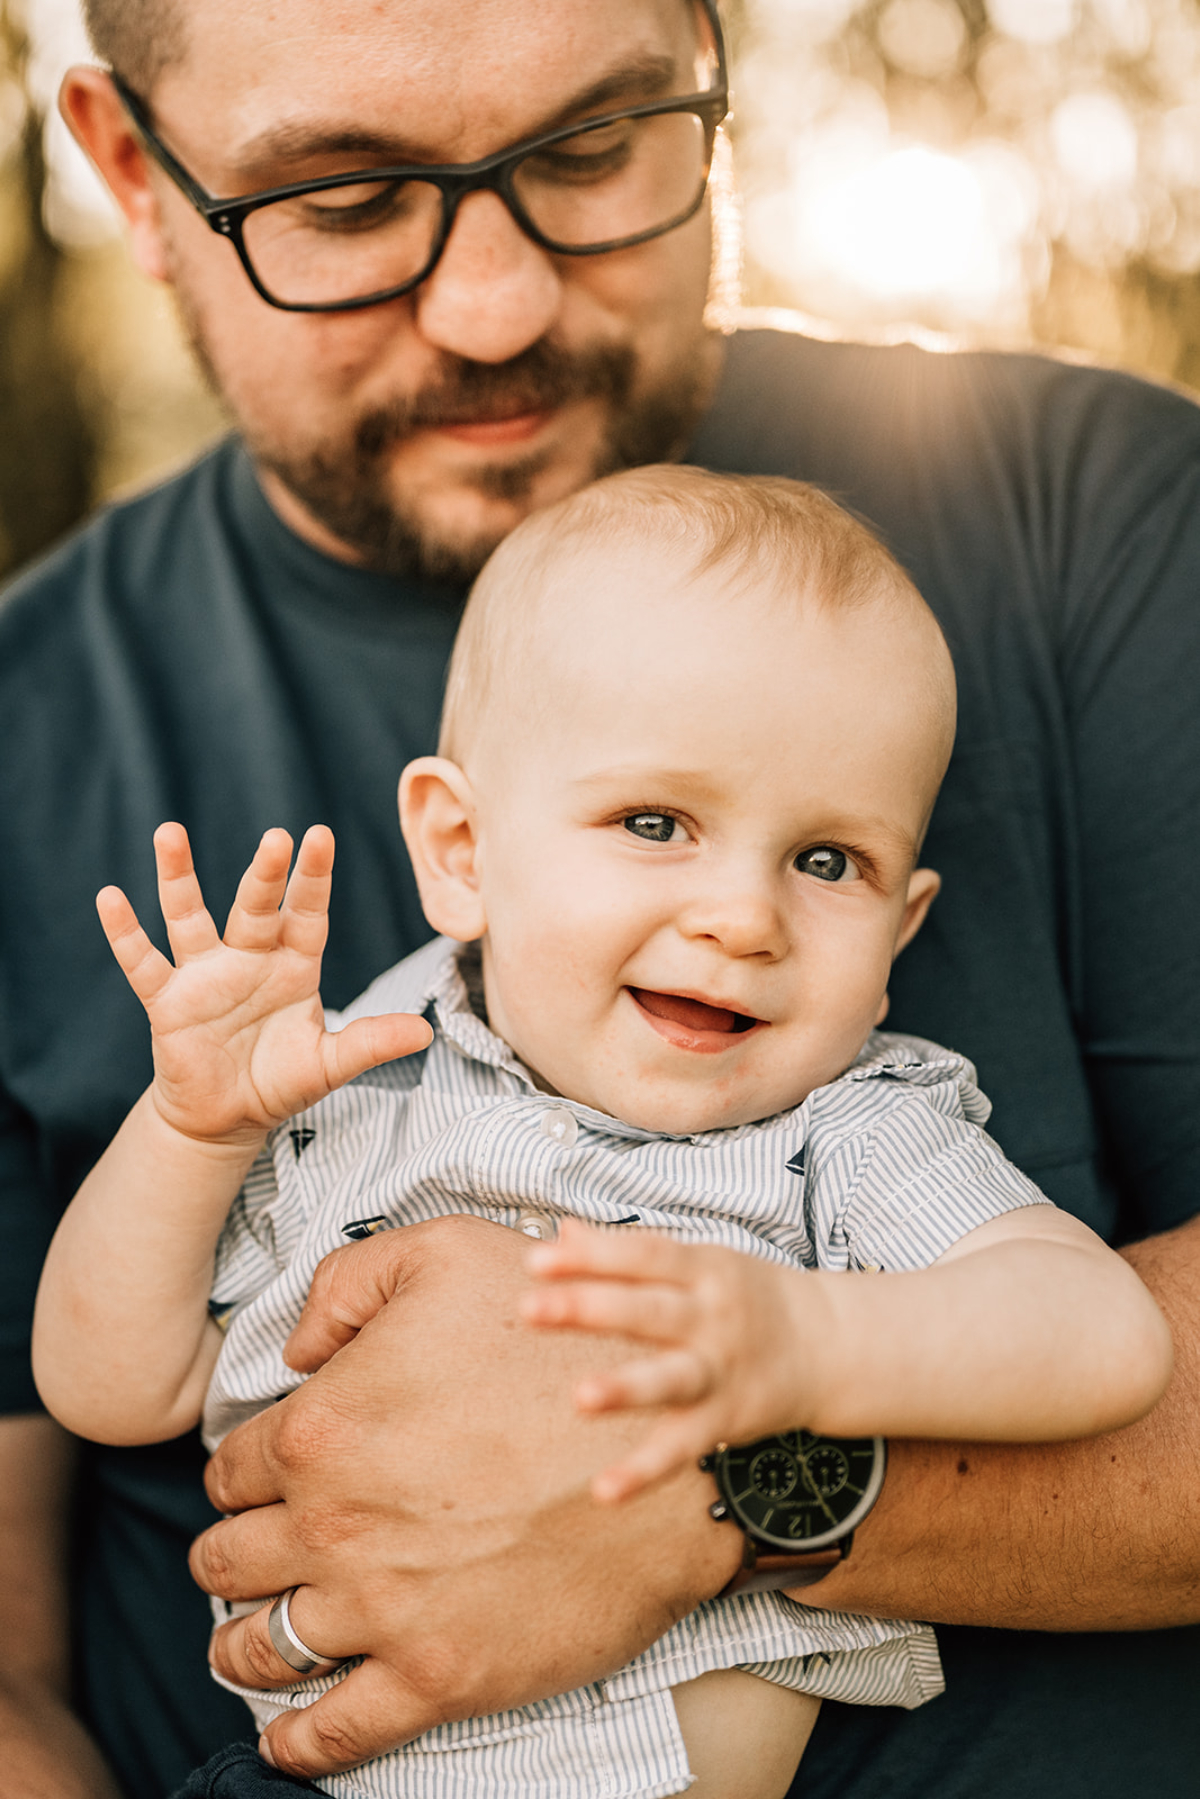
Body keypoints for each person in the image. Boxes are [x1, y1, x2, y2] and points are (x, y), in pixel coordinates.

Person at [2, 0, 1199, 1793]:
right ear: (128, 168)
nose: (494, 306)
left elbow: (1077, 1335)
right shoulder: (353, 1082)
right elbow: (82, 1466)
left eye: (590, 154)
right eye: (342, 203)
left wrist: (716, 1477)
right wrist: (183, 1134)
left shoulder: (1087, 520)